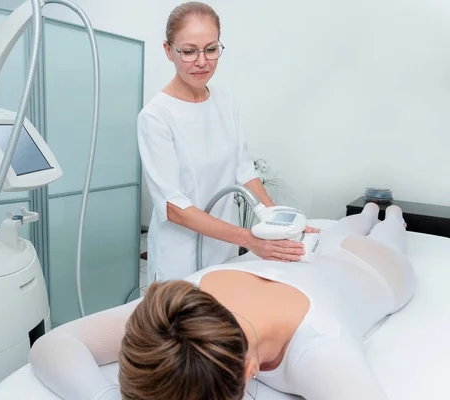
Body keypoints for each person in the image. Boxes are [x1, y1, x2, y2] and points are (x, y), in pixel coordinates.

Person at [29, 203, 415, 400]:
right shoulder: (181, 313)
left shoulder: (321, 351)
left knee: (386, 232)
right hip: (301, 255)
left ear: (250, 373)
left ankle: (391, 212)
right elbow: (54, 345)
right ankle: (365, 211)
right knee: (339, 226)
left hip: (373, 269)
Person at [137, 1, 318, 283]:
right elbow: (173, 206)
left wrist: (282, 225)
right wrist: (248, 238)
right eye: (188, 51)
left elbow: (244, 170)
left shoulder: (225, 101)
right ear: (168, 51)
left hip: (224, 247)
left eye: (211, 49)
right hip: (179, 255)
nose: (201, 61)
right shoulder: (156, 116)